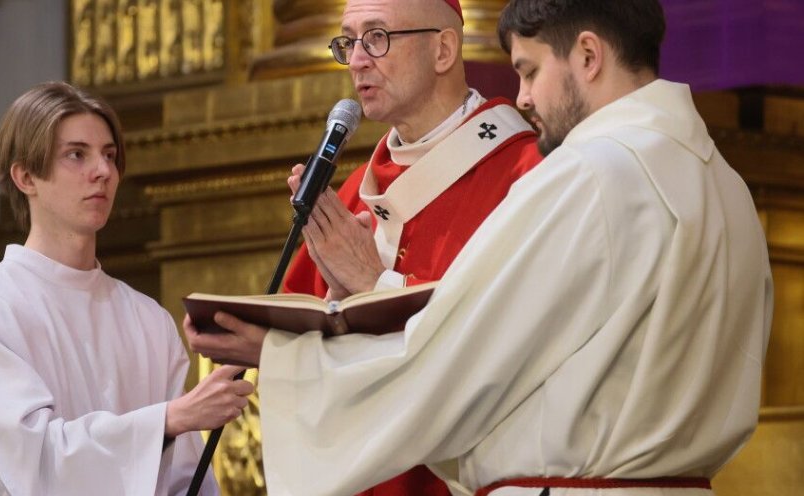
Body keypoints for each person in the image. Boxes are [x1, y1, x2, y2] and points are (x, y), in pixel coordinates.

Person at [185, 0, 774, 495]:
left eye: (529, 70)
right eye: (348, 42)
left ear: (589, 57)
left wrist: (287, 354)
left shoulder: (586, 175)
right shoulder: (725, 185)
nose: (519, 97)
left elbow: (461, 362)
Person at [0, 81, 254, 495]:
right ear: (26, 176)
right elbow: (31, 465)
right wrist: (169, 419)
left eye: (110, 156)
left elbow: (181, 478)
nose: (102, 171)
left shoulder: (147, 318)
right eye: (76, 155)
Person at [284, 1, 542, 492]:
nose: (357, 59)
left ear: (443, 49)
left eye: (377, 37)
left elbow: (512, 346)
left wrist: (371, 285)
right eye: (347, 41)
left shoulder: (527, 175)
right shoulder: (351, 193)